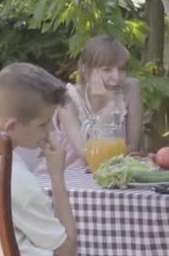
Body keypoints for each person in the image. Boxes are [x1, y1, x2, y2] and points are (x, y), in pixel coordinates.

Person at [0, 62, 162, 256]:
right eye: (43, 123)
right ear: (11, 127)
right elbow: (67, 253)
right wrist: (57, 175)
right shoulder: (18, 183)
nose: (53, 130)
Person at [38, 35, 143, 170]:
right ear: (86, 70)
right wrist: (109, 105)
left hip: (113, 173)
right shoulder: (68, 100)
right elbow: (88, 157)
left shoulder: (131, 89)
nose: (117, 77)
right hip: (67, 175)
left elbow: (133, 147)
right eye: (107, 70)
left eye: (122, 68)